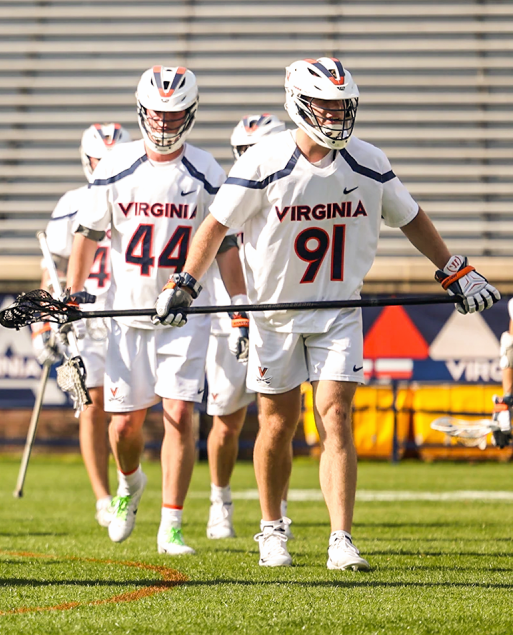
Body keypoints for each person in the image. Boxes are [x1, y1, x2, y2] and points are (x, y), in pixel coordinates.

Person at [154, 57, 499, 570]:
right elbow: (216, 224)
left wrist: (454, 269)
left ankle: (341, 537)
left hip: (338, 309)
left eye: (342, 105)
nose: (336, 115)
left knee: (336, 416)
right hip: (275, 313)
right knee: (278, 423)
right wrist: (185, 280)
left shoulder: (367, 160)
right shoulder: (265, 161)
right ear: (299, 104)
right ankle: (272, 528)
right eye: (325, 105)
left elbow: (410, 217)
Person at [66, 66, 248, 556]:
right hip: (127, 316)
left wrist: (238, 308)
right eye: (157, 114)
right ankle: (129, 484)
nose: (164, 124)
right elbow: (87, 233)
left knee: (179, 415)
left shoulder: (207, 171)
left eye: (174, 115)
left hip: (186, 315)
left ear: (190, 115)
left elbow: (227, 245)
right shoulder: (117, 165)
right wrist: (72, 291)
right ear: (142, 111)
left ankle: (172, 524)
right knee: (123, 426)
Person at [32, 123, 130, 528]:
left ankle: (129, 484)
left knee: (130, 410)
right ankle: (103, 497)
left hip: (128, 313)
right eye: (98, 160)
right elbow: (50, 270)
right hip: (83, 317)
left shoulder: (137, 191)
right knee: (91, 405)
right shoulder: (72, 202)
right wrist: (42, 325)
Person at [203, 113, 289, 541]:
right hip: (228, 322)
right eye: (242, 152)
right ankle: (220, 501)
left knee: (279, 421)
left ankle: (279, 510)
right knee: (227, 419)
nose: (247, 160)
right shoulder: (227, 197)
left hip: (277, 318)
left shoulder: (291, 191)